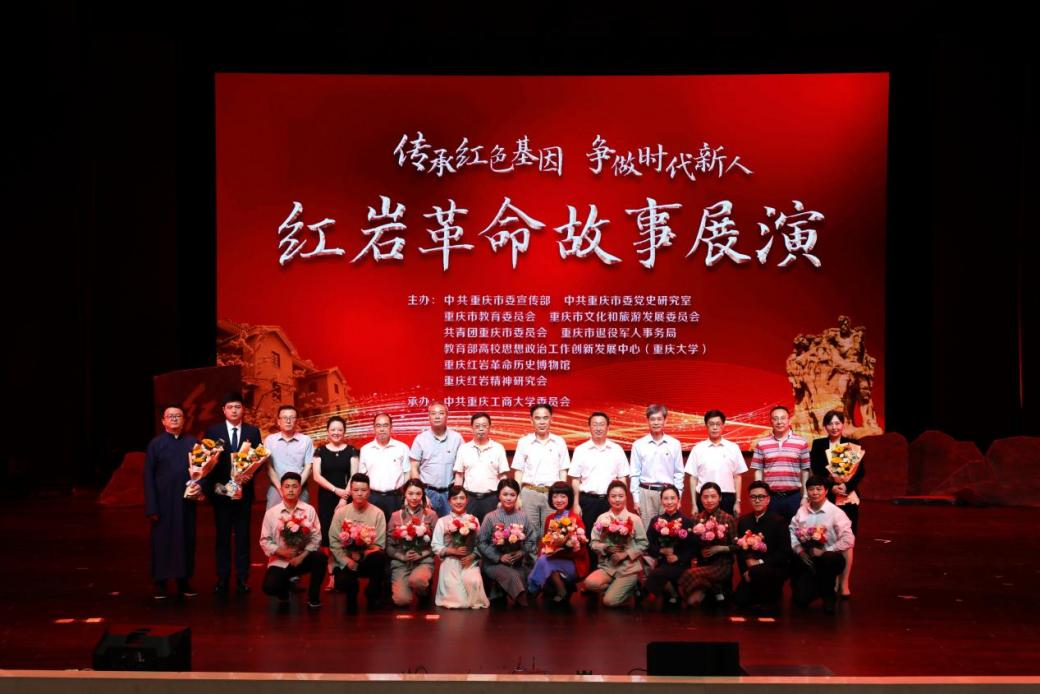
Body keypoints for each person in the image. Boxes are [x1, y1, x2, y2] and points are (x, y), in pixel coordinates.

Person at [203, 392, 262, 595]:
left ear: (243, 409)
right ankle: (222, 577)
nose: (234, 410)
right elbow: (206, 462)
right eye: (230, 407)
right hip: (221, 494)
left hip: (244, 494)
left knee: (243, 537)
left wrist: (248, 475)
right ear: (224, 410)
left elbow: (259, 459)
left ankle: (242, 578)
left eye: (238, 406)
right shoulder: (213, 432)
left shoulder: (253, 432)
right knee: (222, 537)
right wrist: (216, 487)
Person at [144, 405, 199, 599]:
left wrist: (199, 486)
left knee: (186, 540)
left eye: (178, 416)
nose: (174, 419)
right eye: (170, 416)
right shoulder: (156, 444)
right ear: (163, 421)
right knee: (162, 541)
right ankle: (160, 582)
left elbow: (203, 470)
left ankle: (184, 581)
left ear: (184, 420)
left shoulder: (193, 443)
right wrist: (152, 506)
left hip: (186, 501)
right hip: (163, 502)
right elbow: (148, 477)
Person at [809, 410, 864, 598]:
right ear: (825, 426)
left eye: (837, 423)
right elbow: (816, 470)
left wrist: (846, 486)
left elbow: (860, 472)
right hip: (827, 498)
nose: (834, 427)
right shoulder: (819, 445)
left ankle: (844, 582)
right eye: (830, 424)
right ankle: (831, 580)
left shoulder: (852, 445)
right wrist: (831, 486)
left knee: (847, 540)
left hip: (848, 498)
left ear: (843, 424)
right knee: (828, 539)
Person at [569, 412, 628, 572]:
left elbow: (622, 477)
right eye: (594, 424)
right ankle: (592, 573)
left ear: (608, 427)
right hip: (588, 501)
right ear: (589, 427)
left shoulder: (616, 449)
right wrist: (575, 503)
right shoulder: (581, 450)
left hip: (611, 501)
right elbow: (575, 480)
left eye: (602, 424)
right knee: (589, 536)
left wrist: (623, 503)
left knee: (612, 536)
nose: (598, 428)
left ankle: (611, 572)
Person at [259, 472, 326, 609]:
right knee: (270, 587)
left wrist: (302, 556)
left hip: (302, 558)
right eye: (287, 486)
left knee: (320, 558)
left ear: (300, 489)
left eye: (294, 486)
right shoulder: (271, 513)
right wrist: (282, 551)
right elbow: (265, 540)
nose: (291, 490)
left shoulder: (309, 510)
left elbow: (316, 537)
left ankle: (313, 598)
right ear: (281, 489)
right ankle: (284, 589)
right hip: (280, 560)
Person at [789, 475, 855, 613]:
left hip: (829, 558)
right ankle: (813, 588)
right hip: (808, 557)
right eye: (811, 489)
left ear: (826, 491)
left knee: (828, 559)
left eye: (819, 489)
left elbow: (849, 539)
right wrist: (799, 550)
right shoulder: (802, 511)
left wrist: (826, 551)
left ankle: (829, 596)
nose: (815, 493)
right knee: (800, 600)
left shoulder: (836, 513)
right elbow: (792, 531)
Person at [329, 473, 389, 613]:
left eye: (363, 490)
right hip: (347, 559)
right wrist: (347, 560)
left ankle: (372, 593)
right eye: (356, 490)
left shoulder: (378, 513)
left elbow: (379, 545)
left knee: (380, 558)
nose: (360, 493)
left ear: (369, 491)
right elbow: (334, 542)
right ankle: (352, 593)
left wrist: (362, 555)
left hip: (367, 558)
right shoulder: (341, 513)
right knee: (342, 583)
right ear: (351, 491)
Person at [312, 415, 359, 589]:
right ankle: (331, 575)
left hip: (346, 498)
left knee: (346, 535)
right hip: (326, 498)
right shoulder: (320, 451)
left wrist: (343, 497)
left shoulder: (352, 451)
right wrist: (335, 490)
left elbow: (354, 475)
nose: (336, 432)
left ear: (344, 431)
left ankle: (346, 573)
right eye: (333, 429)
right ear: (327, 431)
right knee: (328, 537)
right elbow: (316, 476)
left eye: (340, 429)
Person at [584, 480, 648, 607]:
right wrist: (605, 548)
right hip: (607, 567)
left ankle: (630, 587)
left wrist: (625, 554)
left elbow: (644, 543)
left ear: (626, 497)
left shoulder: (634, 519)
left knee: (609, 602)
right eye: (613, 496)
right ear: (608, 498)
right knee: (589, 584)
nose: (617, 499)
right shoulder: (602, 518)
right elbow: (593, 543)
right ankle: (617, 589)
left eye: (621, 496)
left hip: (627, 569)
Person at [527, 481, 589, 606]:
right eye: (555, 496)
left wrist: (563, 549)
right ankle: (561, 591)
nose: (559, 500)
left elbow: (582, 550)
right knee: (543, 560)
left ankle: (531, 590)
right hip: (553, 560)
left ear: (569, 498)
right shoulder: (549, 518)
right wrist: (547, 551)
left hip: (573, 562)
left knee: (544, 561)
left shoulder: (575, 518)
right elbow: (545, 543)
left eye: (563, 496)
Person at [478, 478, 538, 607]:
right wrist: (499, 557)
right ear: (499, 495)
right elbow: (482, 543)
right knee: (513, 576)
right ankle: (526, 610)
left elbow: (531, 539)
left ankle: (499, 591)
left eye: (512, 495)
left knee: (530, 576)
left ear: (517, 496)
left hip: (517, 562)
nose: (509, 498)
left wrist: (522, 552)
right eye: (505, 494)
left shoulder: (523, 516)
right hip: (494, 563)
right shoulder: (490, 517)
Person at [733, 481, 791, 612]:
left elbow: (784, 552)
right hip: (751, 570)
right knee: (739, 600)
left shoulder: (779, 521)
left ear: (768, 499)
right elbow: (740, 551)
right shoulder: (744, 521)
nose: (757, 500)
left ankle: (773, 596)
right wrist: (745, 572)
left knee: (767, 604)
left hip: (773, 567)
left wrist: (759, 562)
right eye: (753, 497)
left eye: (761, 497)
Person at [513, 403, 571, 534]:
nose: (542, 422)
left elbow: (563, 471)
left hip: (552, 494)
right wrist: (518, 497)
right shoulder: (524, 442)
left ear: (551, 419)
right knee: (529, 532)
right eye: (538, 418)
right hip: (529, 493)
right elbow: (518, 472)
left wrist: (561, 495)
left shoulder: (559, 442)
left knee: (552, 532)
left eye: (545, 418)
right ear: (531, 420)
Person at [679, 482, 737, 607]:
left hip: (722, 565)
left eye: (713, 496)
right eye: (705, 497)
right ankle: (716, 590)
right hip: (703, 563)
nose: (709, 500)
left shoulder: (728, 518)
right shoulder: (696, 519)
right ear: (700, 498)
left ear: (720, 498)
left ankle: (711, 591)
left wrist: (720, 548)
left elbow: (737, 546)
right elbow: (691, 545)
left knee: (690, 575)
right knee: (693, 598)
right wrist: (699, 551)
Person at [431, 485, 489, 609]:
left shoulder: (474, 520)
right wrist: (452, 551)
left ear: (467, 500)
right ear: (449, 501)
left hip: (469, 562)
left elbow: (480, 544)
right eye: (455, 498)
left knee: (474, 583)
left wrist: (472, 556)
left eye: (462, 498)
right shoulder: (442, 521)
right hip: (451, 561)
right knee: (459, 603)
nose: (458, 501)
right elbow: (436, 545)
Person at [750, 405, 811, 522]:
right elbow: (758, 470)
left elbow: (805, 471)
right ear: (771, 421)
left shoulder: (801, 443)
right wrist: (760, 495)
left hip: (794, 497)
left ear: (789, 420)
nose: (779, 422)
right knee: (770, 529)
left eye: (783, 418)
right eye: (775, 418)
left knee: (796, 530)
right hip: (770, 497)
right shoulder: (762, 443)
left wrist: (805, 496)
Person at [630, 404, 684, 531]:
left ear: (665, 420)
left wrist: (678, 497)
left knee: (669, 530)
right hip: (646, 492)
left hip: (668, 493)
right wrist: (636, 500)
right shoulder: (638, 444)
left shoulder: (674, 444)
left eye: (659, 419)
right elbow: (634, 474)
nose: (656, 422)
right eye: (652, 419)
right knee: (647, 531)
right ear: (647, 421)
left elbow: (679, 473)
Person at [387, 479, 439, 607]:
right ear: (404, 494)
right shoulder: (395, 516)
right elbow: (388, 545)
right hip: (401, 562)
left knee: (418, 581)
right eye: (410, 493)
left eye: (418, 493)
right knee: (401, 601)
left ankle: (424, 591)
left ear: (423, 495)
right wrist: (401, 556)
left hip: (423, 561)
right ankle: (406, 587)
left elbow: (437, 543)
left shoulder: (431, 515)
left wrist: (422, 554)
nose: (414, 497)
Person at [685, 410, 747, 516]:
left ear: (723, 426)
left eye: (718, 424)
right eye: (711, 424)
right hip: (705, 498)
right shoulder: (698, 449)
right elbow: (693, 478)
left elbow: (737, 477)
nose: (715, 427)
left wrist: (737, 502)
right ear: (706, 426)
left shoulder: (733, 448)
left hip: (727, 498)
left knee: (727, 526)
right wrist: (694, 504)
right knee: (703, 526)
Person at [643, 484, 694, 609]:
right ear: (661, 501)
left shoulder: (686, 521)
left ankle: (642, 594)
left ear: (678, 500)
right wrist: (662, 551)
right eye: (666, 498)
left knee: (656, 574)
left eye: (672, 498)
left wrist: (678, 557)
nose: (669, 502)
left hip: (680, 564)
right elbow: (648, 545)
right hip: (662, 562)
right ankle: (673, 593)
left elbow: (692, 548)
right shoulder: (656, 520)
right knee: (657, 572)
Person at [409, 402, 463, 518]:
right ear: (429, 416)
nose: (437, 416)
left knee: (450, 526)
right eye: (433, 413)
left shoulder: (457, 438)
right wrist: (421, 494)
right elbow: (414, 467)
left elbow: (461, 467)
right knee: (425, 526)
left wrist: (456, 494)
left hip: (449, 493)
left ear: (447, 415)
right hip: (427, 492)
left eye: (441, 413)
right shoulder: (420, 439)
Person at [452, 412, 510, 521]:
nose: (481, 429)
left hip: (492, 498)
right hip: (469, 499)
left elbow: (503, 477)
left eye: (484, 426)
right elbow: (459, 476)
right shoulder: (464, 448)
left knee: (494, 529)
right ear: (472, 428)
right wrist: (457, 498)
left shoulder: (498, 448)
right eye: (477, 426)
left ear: (489, 427)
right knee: (468, 529)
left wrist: (502, 499)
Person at [358, 413, 411, 522]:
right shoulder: (365, 449)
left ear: (391, 427)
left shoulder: (402, 448)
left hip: (395, 498)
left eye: (385, 425)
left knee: (397, 529)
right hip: (372, 497)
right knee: (372, 529)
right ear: (374, 428)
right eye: (378, 426)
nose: (382, 429)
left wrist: (405, 495)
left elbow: (407, 473)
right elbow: (362, 476)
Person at [263, 405, 314, 509]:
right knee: (273, 517)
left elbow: (308, 467)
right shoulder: (269, 440)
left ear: (296, 421)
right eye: (285, 418)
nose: (288, 421)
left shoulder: (306, 440)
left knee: (302, 517)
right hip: (276, 487)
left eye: (292, 417)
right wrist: (280, 488)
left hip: (300, 487)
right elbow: (268, 467)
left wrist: (296, 487)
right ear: (278, 421)